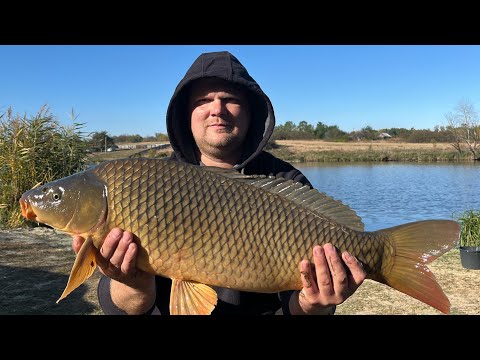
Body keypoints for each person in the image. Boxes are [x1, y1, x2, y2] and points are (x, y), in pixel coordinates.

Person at [72, 51, 367, 315]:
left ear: (251, 113)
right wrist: (134, 285)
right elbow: (127, 309)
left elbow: (299, 306)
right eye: (203, 100)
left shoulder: (285, 181)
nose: (217, 109)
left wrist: (313, 305)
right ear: (186, 116)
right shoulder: (150, 182)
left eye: (230, 100)